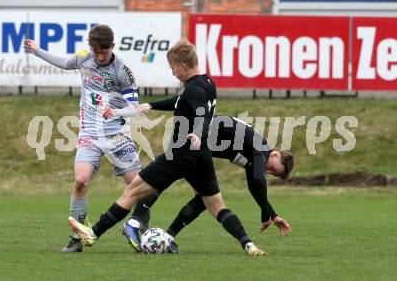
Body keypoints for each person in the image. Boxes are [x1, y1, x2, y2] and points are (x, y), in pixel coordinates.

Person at [68, 39, 267, 256]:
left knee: (133, 190)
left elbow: (200, 114)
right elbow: (180, 101)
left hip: (179, 154)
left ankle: (93, 233)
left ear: (182, 65)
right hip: (202, 157)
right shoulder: (207, 83)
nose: (172, 72)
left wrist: (198, 133)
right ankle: (248, 244)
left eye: (173, 67)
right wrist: (151, 105)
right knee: (217, 206)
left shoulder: (193, 91)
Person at [24, 24, 142, 253]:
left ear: (113, 47)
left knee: (139, 186)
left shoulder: (123, 71)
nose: (99, 57)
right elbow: (62, 62)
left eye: (104, 53)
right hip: (89, 133)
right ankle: (77, 237)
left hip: (117, 136)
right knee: (80, 180)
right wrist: (38, 50)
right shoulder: (83, 59)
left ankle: (141, 229)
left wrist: (116, 112)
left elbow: (135, 107)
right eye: (96, 51)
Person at [123, 116, 294, 253]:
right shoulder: (261, 150)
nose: (269, 172)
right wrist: (266, 214)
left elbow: (254, 185)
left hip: (198, 146)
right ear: (275, 154)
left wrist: (272, 214)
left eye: (274, 174)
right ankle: (134, 223)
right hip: (193, 136)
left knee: (203, 198)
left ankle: (167, 236)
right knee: (163, 178)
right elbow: (257, 180)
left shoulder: (256, 155)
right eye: (273, 168)